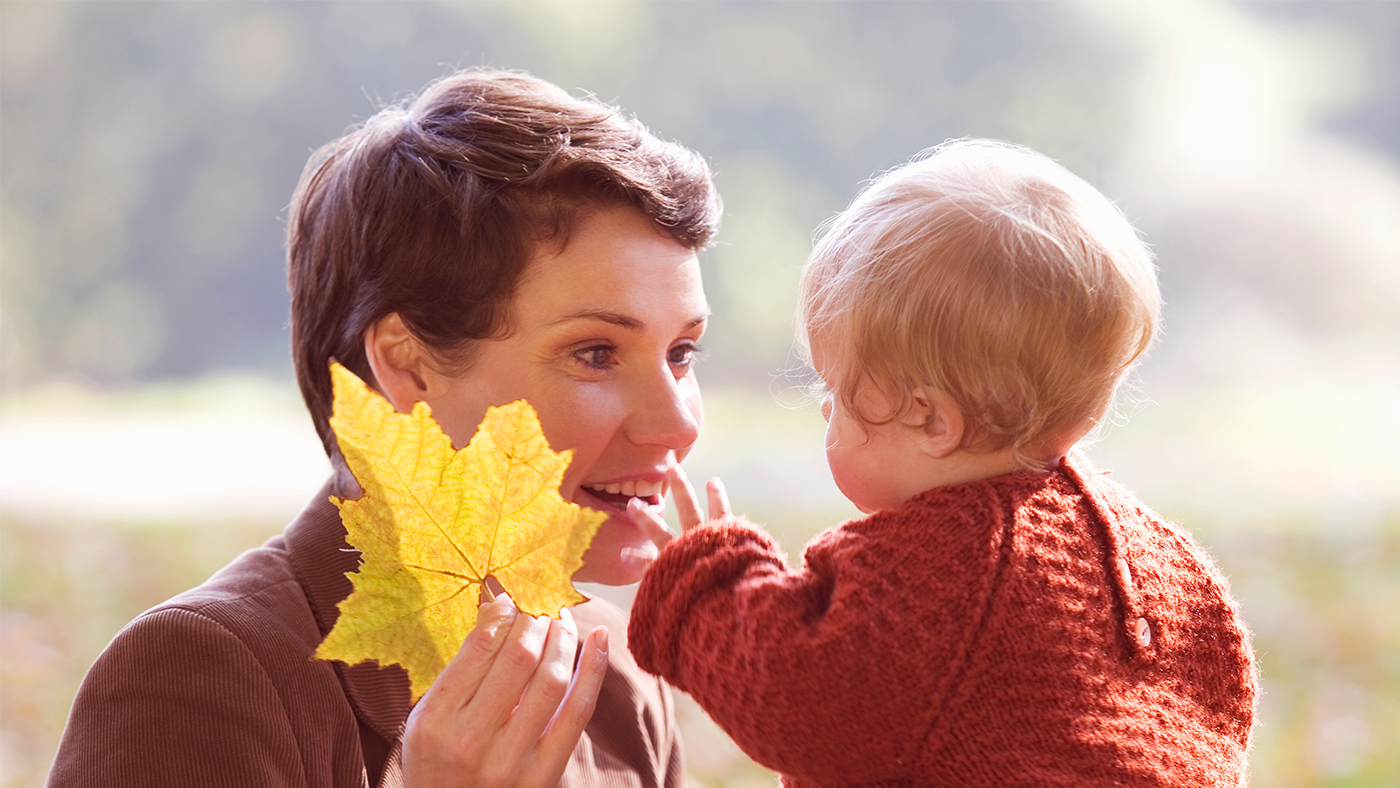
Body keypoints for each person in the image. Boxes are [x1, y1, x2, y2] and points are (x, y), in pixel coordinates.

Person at [49, 67, 721, 788]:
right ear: (408, 367)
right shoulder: (197, 677)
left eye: (681, 352)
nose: (676, 422)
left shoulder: (617, 676)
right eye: (596, 354)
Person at [626, 140, 1257, 787]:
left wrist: (709, 585)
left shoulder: (946, 566)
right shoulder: (1176, 569)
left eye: (836, 392)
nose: (822, 411)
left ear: (932, 421)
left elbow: (799, 695)